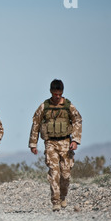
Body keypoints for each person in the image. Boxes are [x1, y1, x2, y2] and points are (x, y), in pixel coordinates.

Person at [29, 79, 82, 211]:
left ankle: (63, 196)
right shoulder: (44, 106)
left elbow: (77, 121)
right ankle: (56, 202)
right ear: (51, 92)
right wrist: (33, 143)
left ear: (62, 92)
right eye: (55, 94)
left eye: (59, 94)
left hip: (65, 142)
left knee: (65, 174)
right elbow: (36, 124)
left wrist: (75, 140)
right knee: (54, 173)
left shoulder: (68, 106)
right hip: (50, 143)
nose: (57, 97)